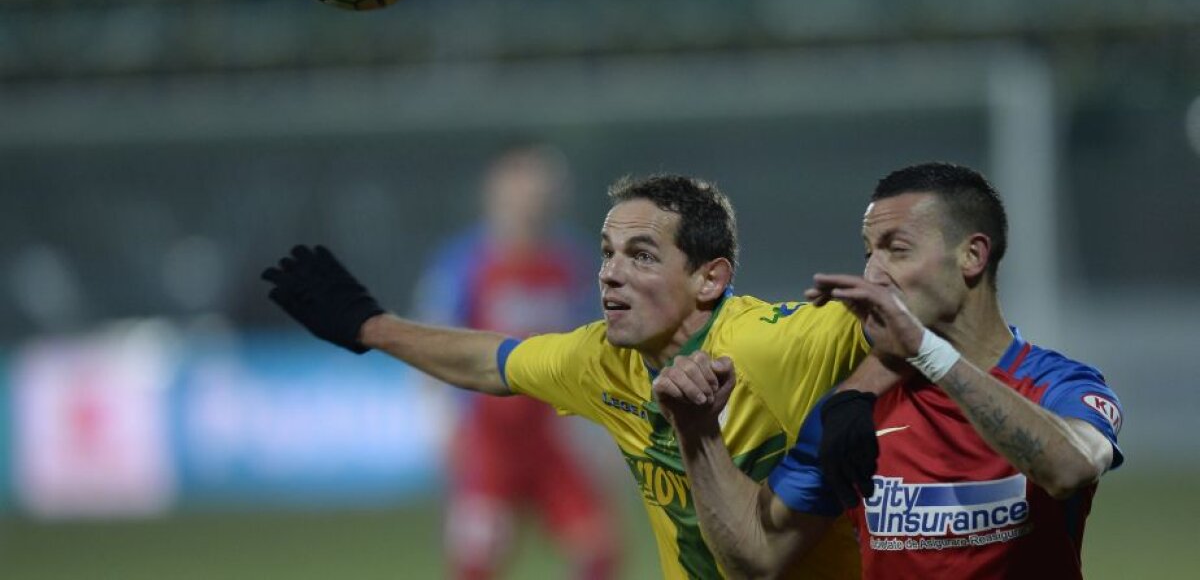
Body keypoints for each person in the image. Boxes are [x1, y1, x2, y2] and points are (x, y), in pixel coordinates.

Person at [262, 173, 899, 579]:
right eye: (607, 254)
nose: (610, 274)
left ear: (711, 278)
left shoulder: (777, 341)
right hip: (493, 451)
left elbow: (916, 315)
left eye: (641, 256)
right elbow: (491, 361)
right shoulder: (599, 358)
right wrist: (369, 327)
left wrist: (860, 390)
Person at [653, 162, 1124, 579]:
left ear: (973, 256)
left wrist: (926, 349)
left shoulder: (1058, 383)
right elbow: (758, 558)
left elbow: (1069, 468)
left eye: (896, 250)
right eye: (868, 254)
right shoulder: (853, 410)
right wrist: (697, 433)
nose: (874, 275)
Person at [413, 145, 617, 580]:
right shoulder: (464, 263)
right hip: (489, 441)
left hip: (552, 435)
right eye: (522, 190)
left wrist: (604, 426)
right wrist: (438, 421)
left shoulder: (573, 264)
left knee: (598, 552)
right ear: (496, 194)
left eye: (541, 190)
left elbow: (600, 349)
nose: (533, 200)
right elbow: (432, 340)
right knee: (476, 562)